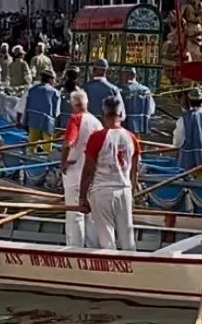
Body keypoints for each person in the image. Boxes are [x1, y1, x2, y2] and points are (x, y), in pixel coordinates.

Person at [79, 97, 142, 252]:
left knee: (107, 239)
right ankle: (132, 268)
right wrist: (131, 194)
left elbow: (88, 171)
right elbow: (135, 171)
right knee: (128, 239)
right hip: (125, 190)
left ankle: (111, 271)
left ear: (103, 114)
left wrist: (82, 197)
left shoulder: (97, 137)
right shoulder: (132, 138)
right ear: (121, 114)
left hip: (102, 191)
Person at [59, 88, 103, 248]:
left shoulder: (75, 119)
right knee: (91, 214)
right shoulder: (97, 123)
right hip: (93, 173)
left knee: (74, 213)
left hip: (75, 171)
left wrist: (63, 161)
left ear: (73, 104)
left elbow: (68, 143)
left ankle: (74, 248)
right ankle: (94, 248)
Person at [24, 69, 61, 155]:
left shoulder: (32, 90)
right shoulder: (54, 92)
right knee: (48, 146)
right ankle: (47, 165)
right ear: (50, 79)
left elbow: (27, 107)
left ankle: (29, 161)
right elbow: (56, 112)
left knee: (31, 145)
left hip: (33, 120)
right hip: (48, 122)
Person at [121, 68, 154, 135]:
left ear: (129, 75)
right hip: (139, 125)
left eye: (124, 74)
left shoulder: (121, 90)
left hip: (124, 124)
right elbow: (151, 109)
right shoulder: (145, 90)